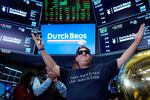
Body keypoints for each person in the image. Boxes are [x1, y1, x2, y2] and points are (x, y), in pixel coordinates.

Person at [31, 23, 145, 100]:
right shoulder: (68, 74)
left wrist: (137, 41)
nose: (84, 53)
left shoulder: (103, 69)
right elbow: (52, 65)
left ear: (91, 57)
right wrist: (41, 49)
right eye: (80, 52)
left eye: (86, 51)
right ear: (77, 58)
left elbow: (123, 58)